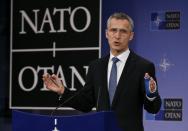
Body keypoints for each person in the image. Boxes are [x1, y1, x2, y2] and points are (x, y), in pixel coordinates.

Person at [43, 12, 161, 131]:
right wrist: (63, 91)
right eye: (113, 30)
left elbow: (153, 108)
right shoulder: (96, 66)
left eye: (123, 31)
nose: (117, 36)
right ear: (106, 33)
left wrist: (151, 95)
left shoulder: (143, 66)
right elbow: (86, 103)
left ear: (131, 36)